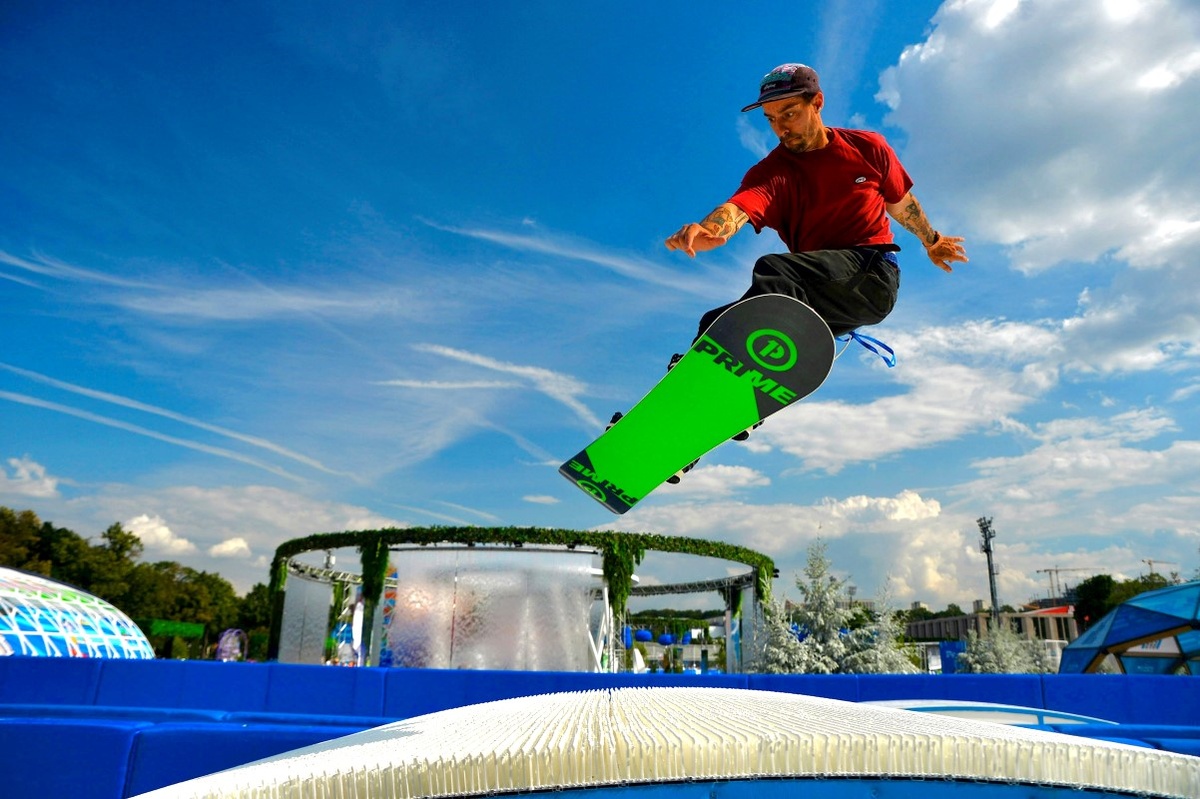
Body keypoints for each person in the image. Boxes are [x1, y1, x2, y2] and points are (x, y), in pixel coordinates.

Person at [666, 63, 968, 341]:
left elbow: (901, 204)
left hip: (872, 278)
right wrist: (711, 229)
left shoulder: (867, 148)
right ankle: (700, 391)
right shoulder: (772, 173)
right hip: (818, 295)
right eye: (771, 119)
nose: (781, 128)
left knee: (778, 272)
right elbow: (740, 207)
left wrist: (933, 241)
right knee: (718, 324)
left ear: (817, 103)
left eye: (789, 113)